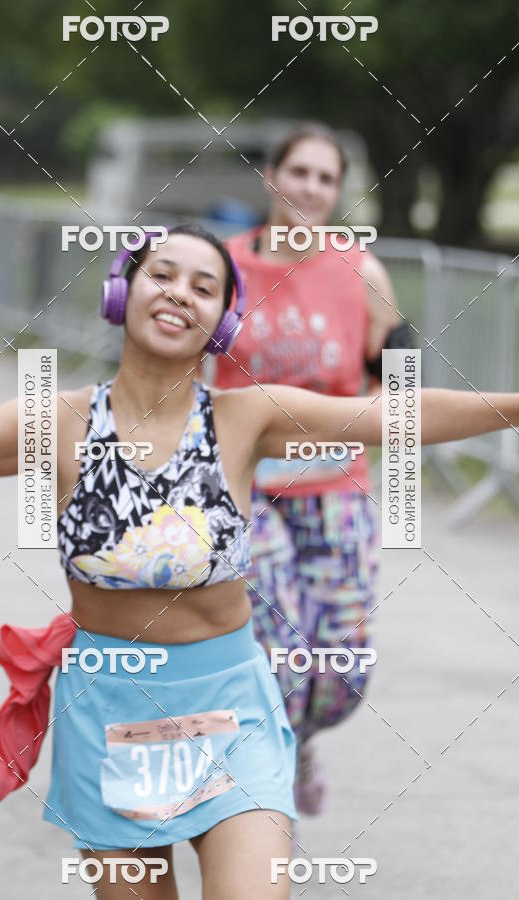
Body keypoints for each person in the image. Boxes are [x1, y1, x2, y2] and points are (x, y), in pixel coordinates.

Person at [0, 223, 518, 899]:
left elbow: (397, 417)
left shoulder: (245, 419)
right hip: (108, 716)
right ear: (122, 290)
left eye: (205, 288)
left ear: (223, 322)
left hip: (232, 713)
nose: (180, 295)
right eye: (163, 275)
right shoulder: (53, 422)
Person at [213, 122, 413, 815]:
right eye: (300, 172)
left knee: (340, 673)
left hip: (336, 492)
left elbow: (399, 370)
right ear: (272, 176)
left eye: (327, 179)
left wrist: (383, 414)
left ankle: (297, 742)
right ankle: (264, 804)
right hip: (247, 491)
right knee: (276, 647)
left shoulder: (362, 273)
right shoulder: (224, 265)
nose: (311, 188)